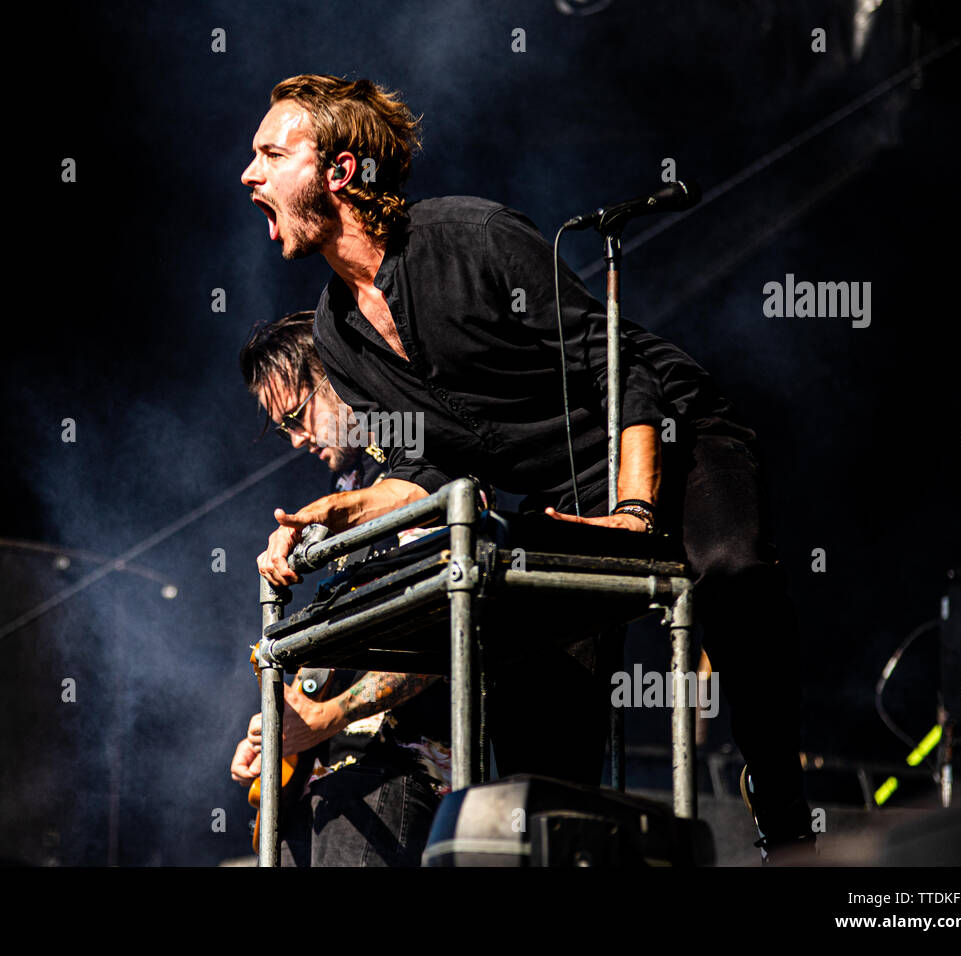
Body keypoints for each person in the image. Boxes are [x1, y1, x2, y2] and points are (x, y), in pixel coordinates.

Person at [241, 74, 816, 861]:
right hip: (561, 487)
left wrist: (636, 516)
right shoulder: (337, 335)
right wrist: (324, 521)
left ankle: (781, 800)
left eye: (272, 153)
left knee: (734, 571)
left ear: (340, 172)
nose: (250, 174)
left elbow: (621, 373)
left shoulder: (470, 236)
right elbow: (422, 469)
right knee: (545, 723)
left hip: (673, 435)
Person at [229, 310, 451, 866]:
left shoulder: (417, 469)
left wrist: (324, 720)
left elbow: (444, 639)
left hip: (396, 770)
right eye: (283, 428)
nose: (297, 439)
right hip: (324, 778)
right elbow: (345, 645)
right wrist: (276, 728)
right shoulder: (346, 482)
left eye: (299, 416)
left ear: (339, 376)